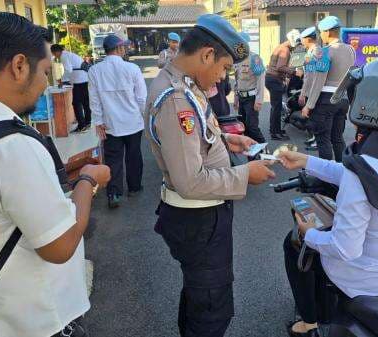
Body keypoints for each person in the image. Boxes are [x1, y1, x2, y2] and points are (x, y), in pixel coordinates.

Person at [0, 12, 110, 337]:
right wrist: (87, 180)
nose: (47, 83)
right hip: (28, 322)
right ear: (19, 66)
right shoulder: (9, 146)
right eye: (45, 71)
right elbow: (59, 247)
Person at [278, 57, 378, 337]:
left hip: (371, 281)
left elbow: (344, 248)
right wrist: (305, 161)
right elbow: (359, 175)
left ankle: (310, 322)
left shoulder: (363, 170)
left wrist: (309, 233)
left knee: (294, 243)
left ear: (367, 104)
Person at [145, 14, 276, 337]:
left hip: (199, 218)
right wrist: (245, 174)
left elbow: (193, 140)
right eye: (223, 67)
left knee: (199, 296)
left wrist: (226, 139)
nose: (221, 78)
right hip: (199, 219)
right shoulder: (177, 99)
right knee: (210, 307)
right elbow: (190, 181)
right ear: (206, 55)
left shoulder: (183, 82)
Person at [89, 34, 147, 209]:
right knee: (134, 155)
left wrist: (98, 121)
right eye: (124, 47)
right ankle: (134, 187)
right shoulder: (133, 69)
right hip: (133, 123)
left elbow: (94, 100)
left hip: (110, 124)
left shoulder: (94, 71)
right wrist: (144, 116)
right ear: (119, 49)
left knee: (113, 158)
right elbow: (142, 98)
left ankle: (114, 193)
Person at [302, 16, 355, 161]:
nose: (320, 36)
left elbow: (319, 81)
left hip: (326, 100)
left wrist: (309, 105)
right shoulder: (350, 49)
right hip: (343, 100)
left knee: (323, 140)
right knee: (337, 139)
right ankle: (342, 172)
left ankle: (326, 179)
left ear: (328, 32)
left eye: (321, 32)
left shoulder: (324, 52)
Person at [265, 28, 300, 140]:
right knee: (276, 107)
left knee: (275, 107)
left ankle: (275, 130)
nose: (296, 46)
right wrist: (295, 72)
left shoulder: (280, 47)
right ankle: (275, 133)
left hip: (271, 79)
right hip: (274, 79)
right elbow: (280, 67)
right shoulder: (285, 50)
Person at [233, 32, 266, 143]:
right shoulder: (237, 60)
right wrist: (236, 99)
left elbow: (260, 80)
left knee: (253, 128)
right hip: (241, 98)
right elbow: (237, 81)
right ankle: (252, 154)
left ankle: (264, 150)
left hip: (251, 99)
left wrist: (259, 100)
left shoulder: (254, 58)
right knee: (244, 127)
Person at [51, 44, 92, 133]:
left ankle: (82, 126)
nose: (55, 56)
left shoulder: (64, 56)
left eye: (54, 54)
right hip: (84, 78)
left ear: (56, 52)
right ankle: (88, 122)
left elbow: (68, 70)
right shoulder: (68, 54)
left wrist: (62, 80)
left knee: (76, 103)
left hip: (79, 80)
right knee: (85, 102)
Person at [298, 26, 321, 150]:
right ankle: (314, 137)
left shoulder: (317, 52)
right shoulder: (309, 52)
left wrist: (304, 92)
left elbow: (313, 76)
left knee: (316, 116)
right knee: (312, 116)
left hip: (314, 89)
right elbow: (307, 74)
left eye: (302, 38)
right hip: (310, 88)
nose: (301, 41)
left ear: (308, 39)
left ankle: (317, 140)